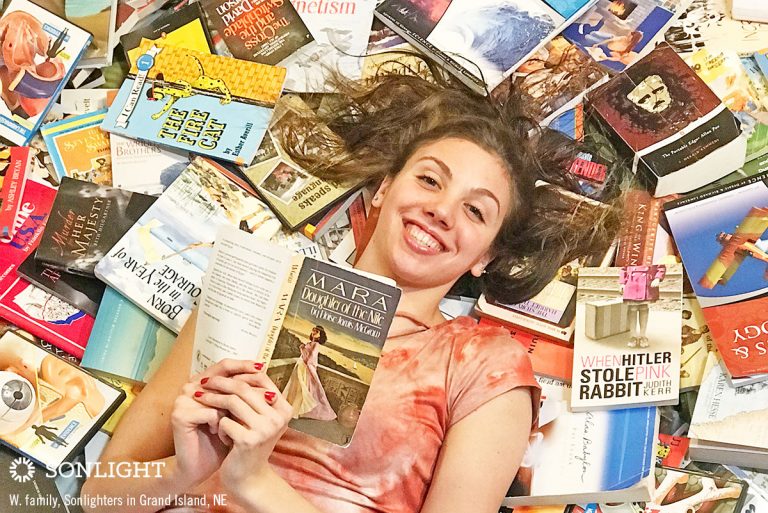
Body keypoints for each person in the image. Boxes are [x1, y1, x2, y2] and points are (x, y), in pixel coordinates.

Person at [81, 69, 617, 513]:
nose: (440, 210)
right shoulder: (255, 286)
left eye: (476, 211)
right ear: (384, 188)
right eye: (430, 180)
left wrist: (254, 481)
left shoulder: (483, 364)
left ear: (486, 257)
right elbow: (98, 497)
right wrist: (184, 469)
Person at [283, 326, 336, 421]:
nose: (314, 332)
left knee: (302, 388)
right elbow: (305, 355)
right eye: (314, 330)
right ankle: (291, 407)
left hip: (306, 367)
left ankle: (295, 410)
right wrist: (302, 349)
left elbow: (312, 357)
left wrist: (309, 366)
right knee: (295, 386)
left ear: (320, 335)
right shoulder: (310, 343)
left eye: (317, 332)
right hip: (301, 366)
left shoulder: (316, 345)